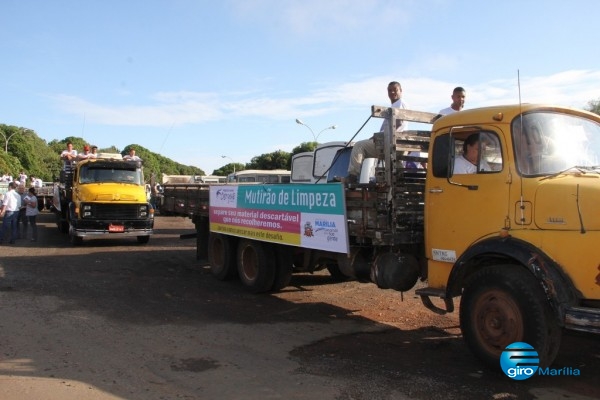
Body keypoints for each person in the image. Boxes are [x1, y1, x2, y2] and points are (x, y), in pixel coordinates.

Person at [347, 81, 407, 181]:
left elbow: (398, 123)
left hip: (390, 141)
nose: (392, 92)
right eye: (390, 90)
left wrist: (380, 136)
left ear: (401, 91)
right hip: (397, 142)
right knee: (394, 161)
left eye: (395, 90)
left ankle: (353, 175)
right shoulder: (396, 105)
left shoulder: (399, 104)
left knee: (359, 146)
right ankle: (399, 179)